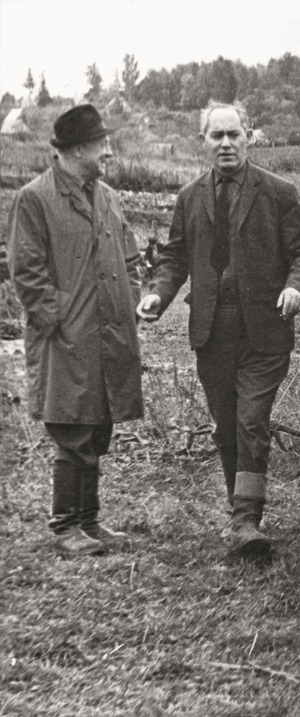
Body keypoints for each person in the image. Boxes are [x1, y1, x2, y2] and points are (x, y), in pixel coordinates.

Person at [138, 102, 300, 561]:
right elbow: (175, 258)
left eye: (233, 135)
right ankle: (241, 509)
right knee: (226, 429)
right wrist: (158, 294)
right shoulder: (190, 196)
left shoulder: (277, 192)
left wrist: (296, 289)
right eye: (215, 136)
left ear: (249, 136)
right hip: (212, 333)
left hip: (264, 332)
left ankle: (246, 519)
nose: (225, 144)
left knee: (251, 422)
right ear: (204, 142)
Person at [7, 104, 144, 557]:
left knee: (97, 429)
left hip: (107, 336)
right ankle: (65, 524)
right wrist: (57, 323)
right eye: (102, 144)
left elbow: (129, 258)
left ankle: (89, 522)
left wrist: (132, 303)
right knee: (72, 432)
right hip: (66, 340)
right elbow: (26, 271)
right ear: (79, 149)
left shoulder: (105, 195)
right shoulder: (34, 198)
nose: (108, 152)